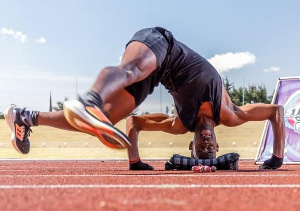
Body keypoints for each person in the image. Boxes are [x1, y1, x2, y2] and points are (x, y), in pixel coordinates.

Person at [4, 27, 285, 170]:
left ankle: (26, 117)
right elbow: (276, 111)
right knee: (131, 70)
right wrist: (277, 156)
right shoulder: (230, 113)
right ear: (217, 141)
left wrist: (135, 161)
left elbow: (134, 123)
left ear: (192, 145)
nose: (207, 145)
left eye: (202, 150)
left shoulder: (179, 123)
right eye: (210, 148)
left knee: (107, 119)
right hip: (161, 43)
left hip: (155, 75)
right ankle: (91, 99)